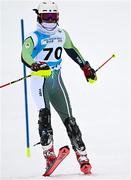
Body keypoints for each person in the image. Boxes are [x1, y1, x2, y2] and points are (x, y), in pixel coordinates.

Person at [21, 0, 97, 174]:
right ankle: (49, 156)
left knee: (70, 119)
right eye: (46, 17)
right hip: (40, 81)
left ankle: (82, 155)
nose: (50, 21)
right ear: (39, 17)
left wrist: (85, 67)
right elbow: (24, 54)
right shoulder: (33, 36)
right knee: (45, 116)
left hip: (57, 80)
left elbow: (72, 50)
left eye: (53, 17)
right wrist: (34, 64)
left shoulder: (62, 34)